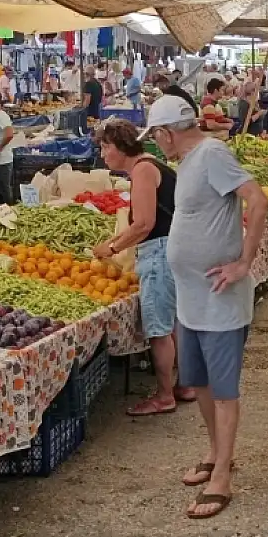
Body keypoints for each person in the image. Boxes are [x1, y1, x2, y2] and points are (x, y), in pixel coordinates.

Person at [147, 96, 268, 519]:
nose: (157, 144)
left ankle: (222, 479)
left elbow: (258, 199)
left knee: (222, 389)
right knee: (198, 383)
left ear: (167, 132)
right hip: (192, 297)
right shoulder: (191, 160)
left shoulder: (213, 154)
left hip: (219, 299)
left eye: (157, 136)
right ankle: (218, 455)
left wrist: (243, 263)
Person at [92, 119, 195, 415]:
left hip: (160, 253)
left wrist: (112, 248)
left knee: (159, 329)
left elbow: (144, 224)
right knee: (174, 322)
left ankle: (164, 396)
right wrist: (114, 240)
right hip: (172, 248)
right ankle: (185, 384)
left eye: (105, 147)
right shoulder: (151, 164)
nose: (102, 154)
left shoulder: (143, 170)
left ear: (122, 146)